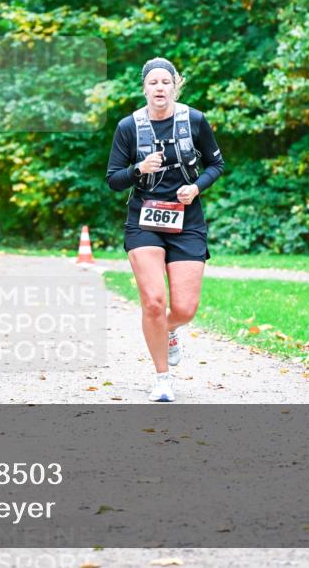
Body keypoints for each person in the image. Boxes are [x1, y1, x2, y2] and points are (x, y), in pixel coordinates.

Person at [106, 57, 225, 402]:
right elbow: (114, 179)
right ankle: (162, 378)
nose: (160, 88)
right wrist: (139, 169)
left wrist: (197, 187)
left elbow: (216, 163)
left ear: (175, 85)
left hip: (187, 221)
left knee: (185, 309)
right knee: (155, 302)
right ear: (144, 88)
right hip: (144, 220)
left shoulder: (195, 120)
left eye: (166, 82)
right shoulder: (129, 127)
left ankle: (170, 329)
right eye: (153, 82)